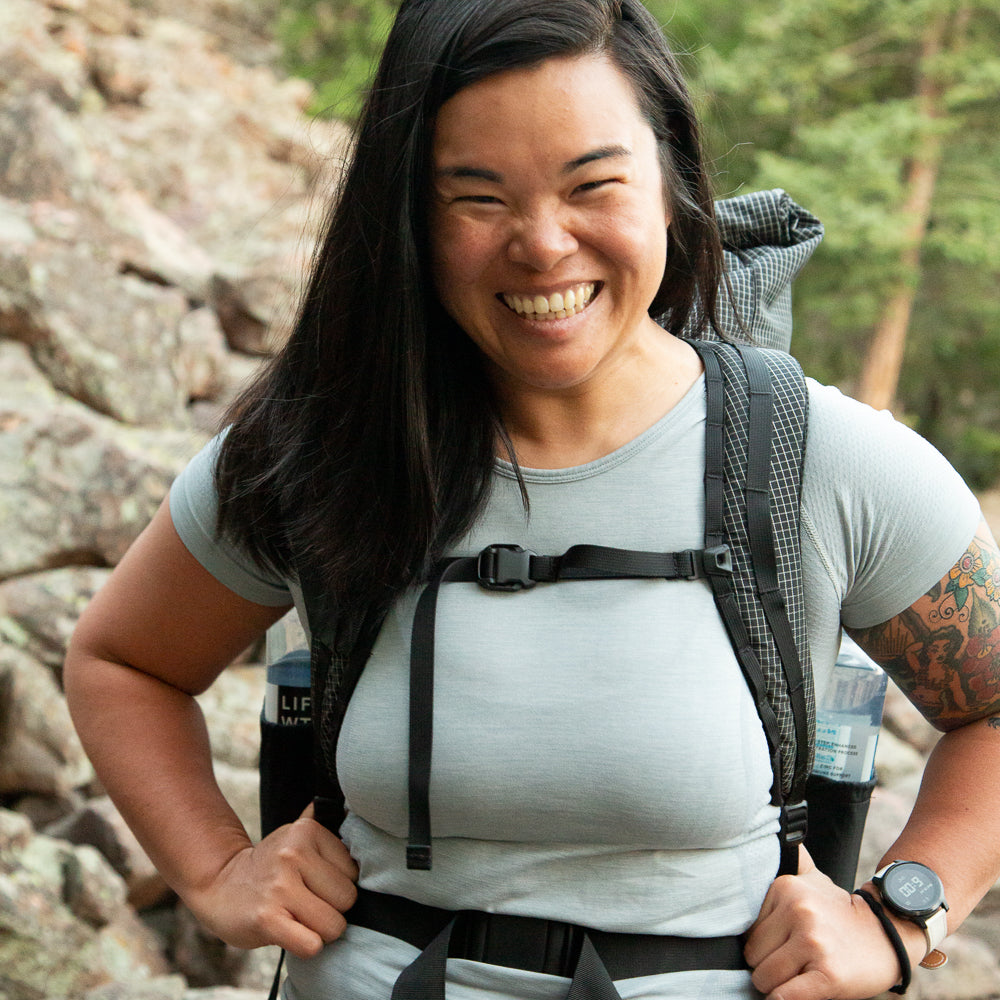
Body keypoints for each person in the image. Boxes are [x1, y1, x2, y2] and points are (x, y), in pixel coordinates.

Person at [64, 2, 1000, 999]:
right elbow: (122, 661)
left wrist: (902, 919)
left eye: (593, 184)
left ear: (671, 179)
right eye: (476, 199)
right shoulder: (325, 446)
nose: (543, 246)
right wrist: (214, 869)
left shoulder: (817, 461)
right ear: (407, 217)